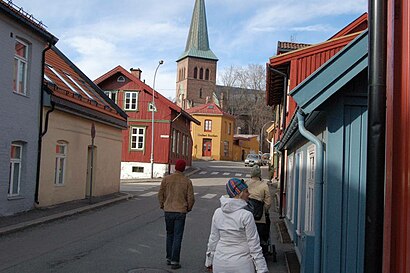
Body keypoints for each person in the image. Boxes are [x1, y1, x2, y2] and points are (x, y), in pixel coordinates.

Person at [205, 178, 268, 273]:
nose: (249, 194)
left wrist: (209, 261)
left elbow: (213, 239)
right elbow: (254, 244)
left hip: (220, 262)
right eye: (246, 191)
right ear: (240, 193)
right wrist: (261, 268)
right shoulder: (246, 215)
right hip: (242, 264)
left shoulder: (218, 213)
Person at [158, 159, 195, 270]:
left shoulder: (166, 179)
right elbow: (191, 198)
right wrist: (188, 208)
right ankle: (175, 261)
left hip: (168, 210)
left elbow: (160, 194)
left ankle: (169, 257)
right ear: (183, 169)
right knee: (178, 236)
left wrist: (162, 205)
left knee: (169, 234)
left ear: (175, 168)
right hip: (180, 211)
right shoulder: (187, 181)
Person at [246, 165, 272, 255]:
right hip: (260, 217)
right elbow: (268, 202)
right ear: (259, 174)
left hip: (247, 215)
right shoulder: (264, 185)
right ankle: (263, 242)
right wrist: (264, 211)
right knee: (266, 225)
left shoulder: (246, 184)